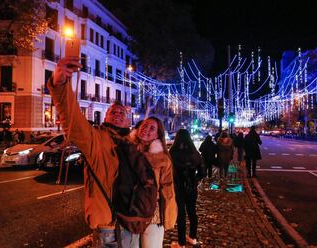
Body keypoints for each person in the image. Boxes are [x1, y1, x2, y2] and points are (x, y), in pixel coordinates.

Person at [49, 57, 152, 247]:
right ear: (105, 116)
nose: (118, 114)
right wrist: (60, 84)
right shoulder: (96, 139)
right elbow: (73, 120)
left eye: (122, 113)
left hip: (133, 222)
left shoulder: (132, 144)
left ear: (128, 120)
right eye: (113, 111)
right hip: (111, 226)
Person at [129, 117, 177, 248]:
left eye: (152, 128)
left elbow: (167, 188)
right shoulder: (126, 150)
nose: (146, 129)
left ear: (158, 134)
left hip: (152, 214)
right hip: (128, 212)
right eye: (144, 125)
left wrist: (168, 216)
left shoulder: (162, 158)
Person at [170, 129, 205, 248]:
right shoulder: (195, 153)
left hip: (177, 187)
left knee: (181, 214)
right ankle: (193, 237)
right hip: (191, 187)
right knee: (192, 212)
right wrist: (194, 180)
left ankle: (181, 243)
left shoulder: (172, 153)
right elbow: (202, 172)